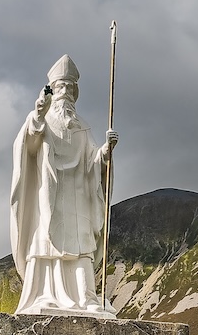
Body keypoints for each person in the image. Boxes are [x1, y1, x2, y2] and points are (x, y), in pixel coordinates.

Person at [10, 53, 119, 316]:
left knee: (82, 245)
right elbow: (31, 143)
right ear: (53, 91)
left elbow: (93, 159)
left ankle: (85, 297)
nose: (66, 93)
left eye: (70, 88)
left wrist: (106, 151)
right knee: (46, 241)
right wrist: (37, 113)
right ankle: (44, 294)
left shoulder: (82, 127)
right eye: (61, 88)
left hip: (78, 195)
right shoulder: (43, 120)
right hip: (50, 195)